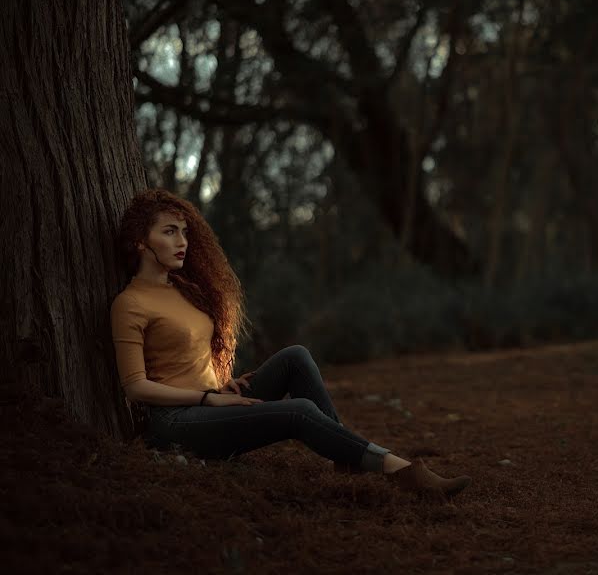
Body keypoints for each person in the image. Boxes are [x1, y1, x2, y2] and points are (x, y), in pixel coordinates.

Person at [109, 188, 470, 498]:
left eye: (184, 232)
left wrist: (217, 384)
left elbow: (187, 356)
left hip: (211, 401)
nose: (182, 242)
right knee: (298, 410)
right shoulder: (131, 303)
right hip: (177, 424)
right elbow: (136, 387)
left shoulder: (184, 290)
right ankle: (397, 469)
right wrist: (206, 397)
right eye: (169, 232)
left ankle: (348, 461)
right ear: (141, 241)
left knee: (295, 357)